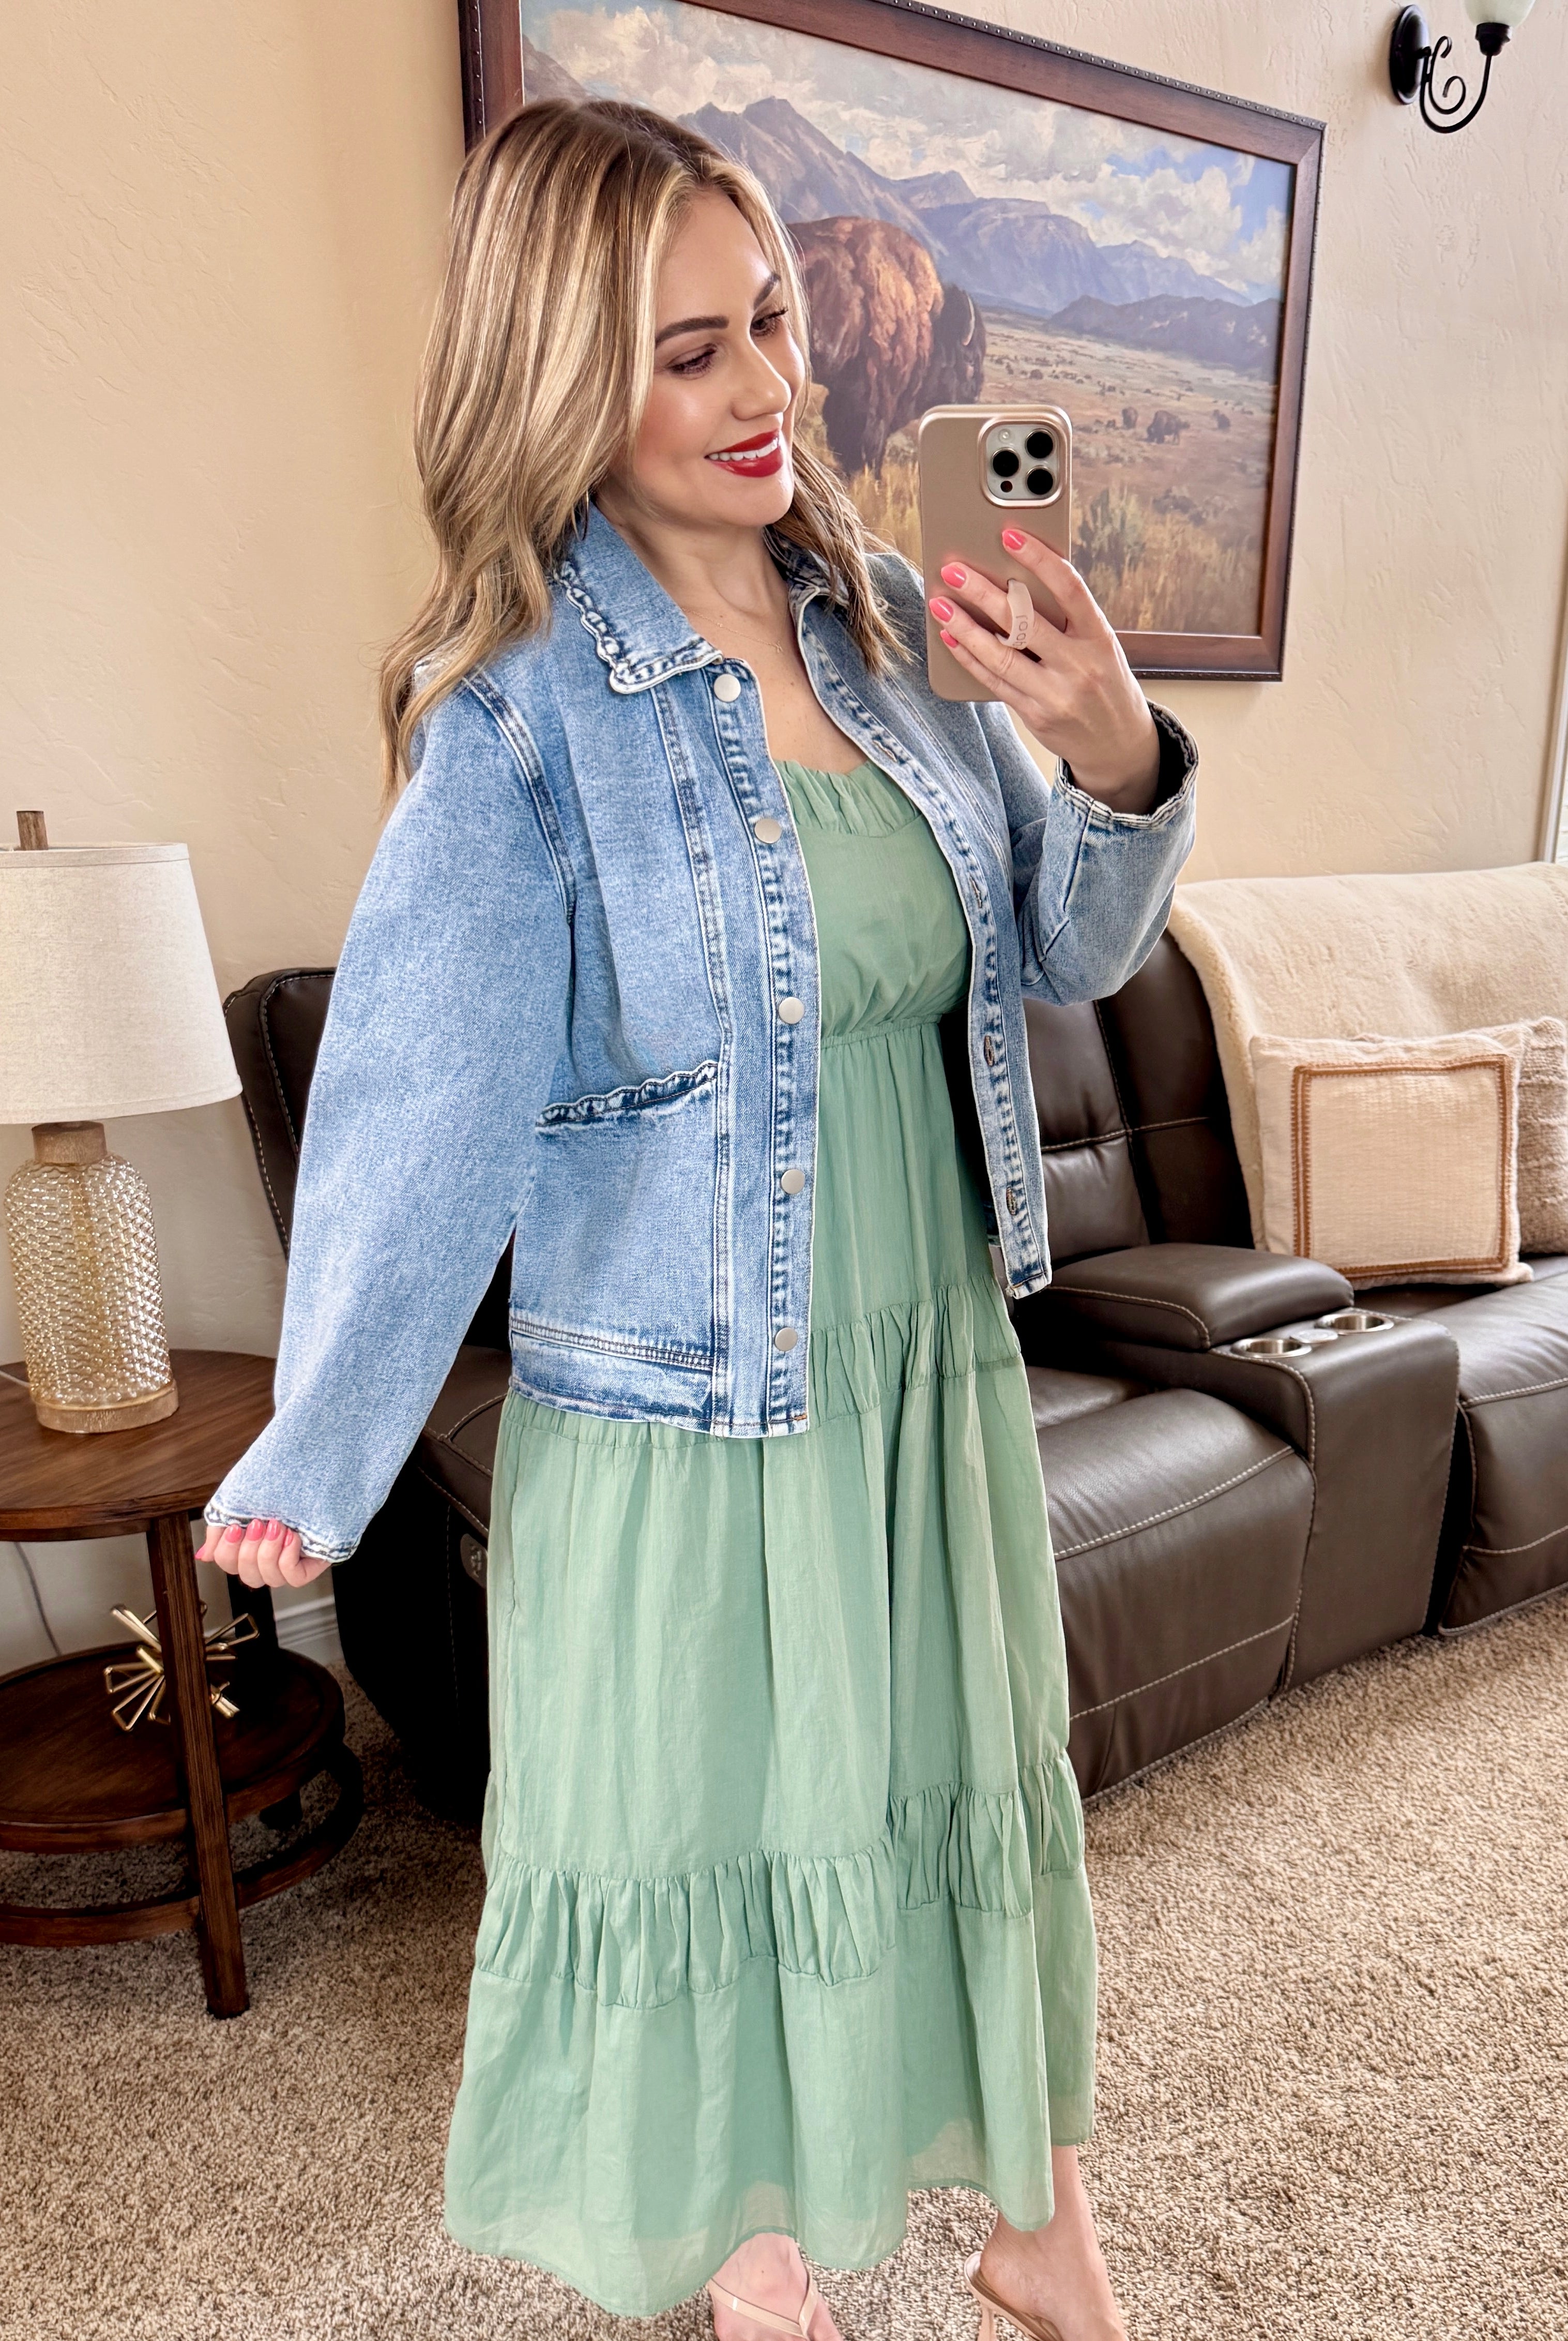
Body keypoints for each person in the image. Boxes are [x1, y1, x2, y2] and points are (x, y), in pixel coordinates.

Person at [199, 97, 1195, 2341]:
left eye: (770, 323)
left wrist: (1115, 747)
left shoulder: (891, 624)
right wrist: (321, 1442)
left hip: (920, 1358)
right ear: (564, 377)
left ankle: (1044, 2232)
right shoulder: (519, 721)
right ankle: (761, 2287)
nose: (767, 389)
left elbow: (1065, 941)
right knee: (712, 1841)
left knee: (956, 1783)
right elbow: (417, 1105)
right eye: (688, 351)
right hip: (683, 1397)